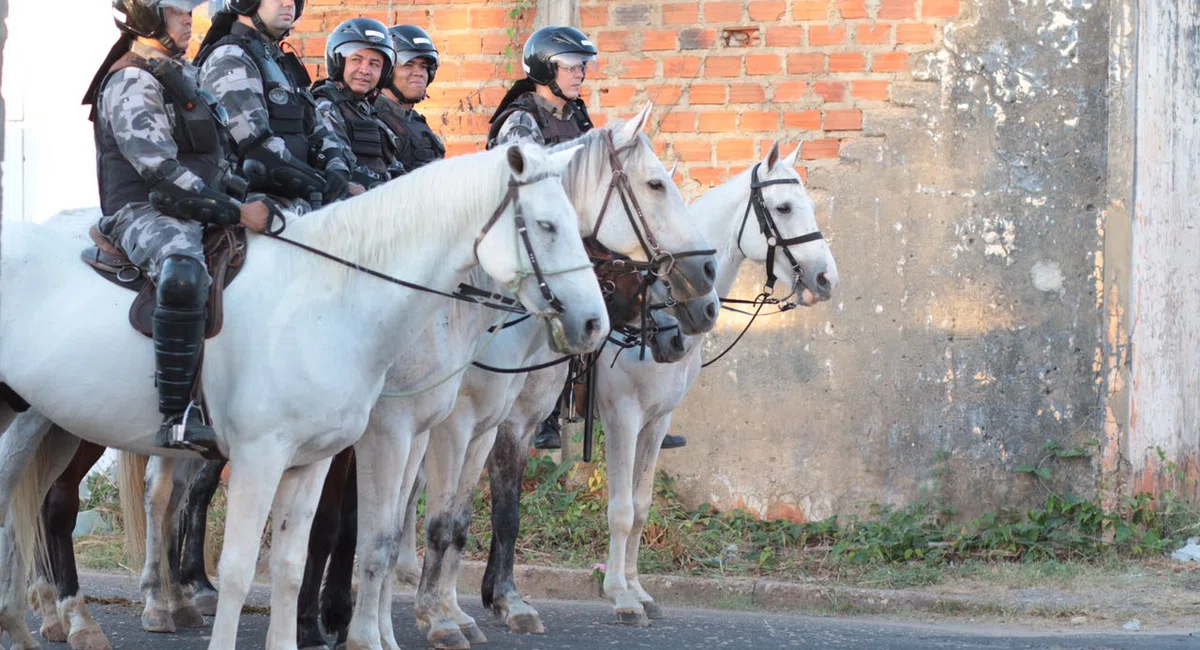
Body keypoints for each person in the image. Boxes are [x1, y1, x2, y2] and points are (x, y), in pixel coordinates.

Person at [85, 0, 272, 458]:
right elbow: (162, 173)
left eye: (191, 10)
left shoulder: (180, 73)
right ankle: (177, 415)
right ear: (145, 16)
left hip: (195, 205)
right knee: (183, 267)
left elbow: (215, 157)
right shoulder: (131, 78)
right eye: (177, 11)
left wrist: (247, 189)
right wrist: (235, 210)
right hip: (143, 210)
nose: (190, 18)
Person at [486, 26, 687, 451]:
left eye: (582, 66)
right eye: (573, 66)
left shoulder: (575, 115)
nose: (581, 74)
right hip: (534, 237)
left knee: (642, 274)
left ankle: (644, 406)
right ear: (546, 68)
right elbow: (527, 186)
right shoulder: (521, 118)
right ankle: (547, 411)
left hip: (574, 230)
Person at [195, 0, 351, 210]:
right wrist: (322, 185)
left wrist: (337, 168)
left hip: (297, 200)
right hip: (250, 204)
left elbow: (319, 130)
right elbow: (260, 150)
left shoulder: (278, 61)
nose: (289, 3)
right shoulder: (231, 58)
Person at [311, 18, 406, 189]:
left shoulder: (368, 112)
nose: (365, 70)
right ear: (339, 63)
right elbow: (339, 166)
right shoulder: (325, 106)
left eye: (374, 64)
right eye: (356, 59)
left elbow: (395, 168)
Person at [373, 24, 445, 172]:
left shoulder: (415, 120)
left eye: (424, 66)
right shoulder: (372, 120)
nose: (419, 73)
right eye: (408, 65)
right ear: (387, 71)